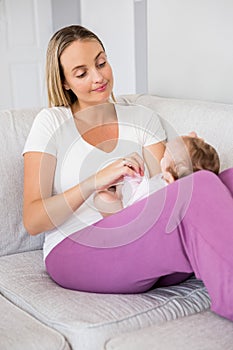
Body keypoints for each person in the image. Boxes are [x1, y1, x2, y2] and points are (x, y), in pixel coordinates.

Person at [22, 25, 233, 322]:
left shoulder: (142, 118)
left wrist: (187, 156)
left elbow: (169, 188)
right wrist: (95, 181)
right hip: (77, 248)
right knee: (200, 188)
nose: (98, 77)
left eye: (101, 62)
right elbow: (33, 220)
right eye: (81, 73)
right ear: (65, 82)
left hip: (145, 241)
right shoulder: (51, 122)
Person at [94, 135, 220, 217]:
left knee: (102, 198)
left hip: (130, 220)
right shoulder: (189, 190)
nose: (162, 157)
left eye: (165, 156)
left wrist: (133, 179)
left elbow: (133, 209)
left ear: (170, 177)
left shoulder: (155, 195)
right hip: (135, 204)